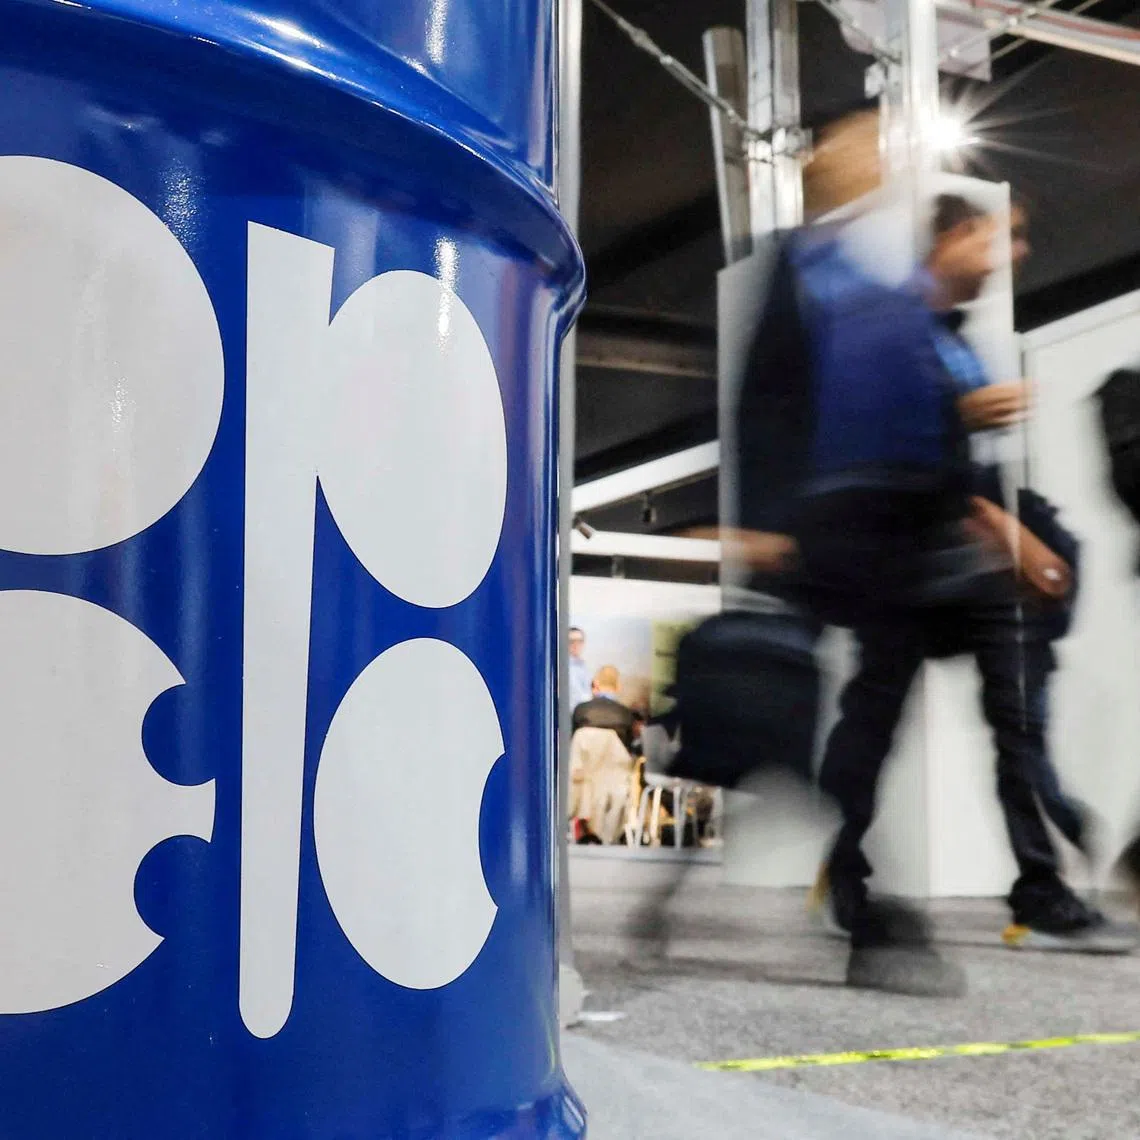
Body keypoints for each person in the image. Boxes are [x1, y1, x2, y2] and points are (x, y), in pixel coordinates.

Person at [816, 194, 1133, 956]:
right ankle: (844, 874)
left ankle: (1041, 886)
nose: (1013, 256)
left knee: (1019, 722)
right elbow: (863, 436)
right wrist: (964, 429)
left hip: (974, 570)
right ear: (953, 235)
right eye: (1001, 238)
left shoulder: (960, 342)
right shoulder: (889, 325)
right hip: (903, 564)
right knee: (874, 725)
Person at [572, 665, 638, 752]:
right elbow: (628, 749)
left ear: (596, 684)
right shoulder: (625, 714)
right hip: (616, 765)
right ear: (618, 687)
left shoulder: (580, 710)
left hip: (585, 764)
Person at [568, 626, 592, 713]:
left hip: (584, 714)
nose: (576, 645)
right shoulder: (563, 667)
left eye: (580, 641)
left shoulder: (583, 666)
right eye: (571, 642)